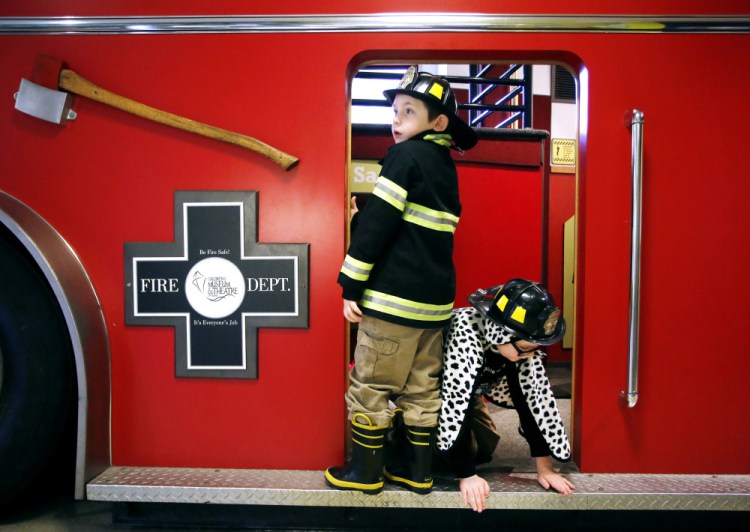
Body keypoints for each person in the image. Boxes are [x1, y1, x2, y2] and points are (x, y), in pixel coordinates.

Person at [325, 66, 478, 495]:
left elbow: (379, 225)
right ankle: (417, 472)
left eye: (409, 112)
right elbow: (418, 227)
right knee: (421, 389)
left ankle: (366, 474)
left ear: (438, 122)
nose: (397, 120)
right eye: (395, 111)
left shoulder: (403, 156)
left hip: (392, 303)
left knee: (371, 384)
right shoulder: (445, 167)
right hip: (432, 309)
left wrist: (350, 284)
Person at [437, 278, 575, 512]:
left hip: (477, 390)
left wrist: (545, 467)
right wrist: (466, 475)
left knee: (484, 448)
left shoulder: (519, 346)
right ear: (501, 334)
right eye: (526, 349)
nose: (530, 355)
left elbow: (532, 400)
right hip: (433, 392)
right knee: (440, 457)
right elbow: (456, 402)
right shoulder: (465, 333)